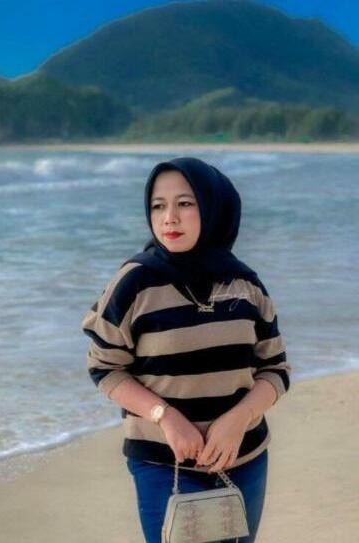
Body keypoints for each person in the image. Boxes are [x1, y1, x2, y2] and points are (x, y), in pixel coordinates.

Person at [81, 157, 291, 543]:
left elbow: (275, 369)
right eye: (158, 206)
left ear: (212, 208)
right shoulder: (134, 284)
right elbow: (104, 367)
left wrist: (239, 419)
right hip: (164, 463)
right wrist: (165, 417)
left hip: (244, 458)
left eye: (185, 203)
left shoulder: (245, 286)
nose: (169, 218)